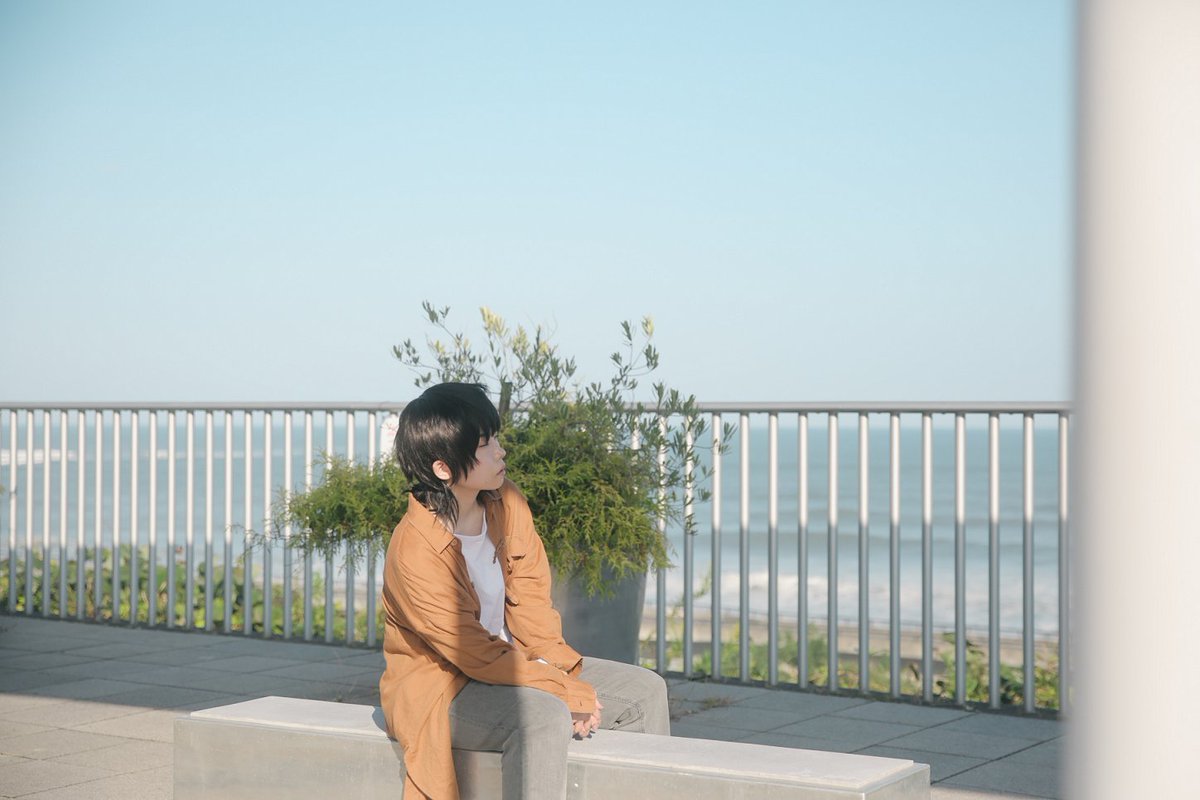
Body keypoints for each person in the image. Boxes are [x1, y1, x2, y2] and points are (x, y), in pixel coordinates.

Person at [379, 382, 670, 799]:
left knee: (645, 691)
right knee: (542, 716)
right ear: (443, 468)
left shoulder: (505, 500)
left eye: (495, 438)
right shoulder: (414, 551)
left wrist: (555, 669)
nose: (500, 451)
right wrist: (559, 689)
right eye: (484, 444)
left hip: (515, 663)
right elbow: (471, 653)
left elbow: (531, 597)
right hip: (445, 686)